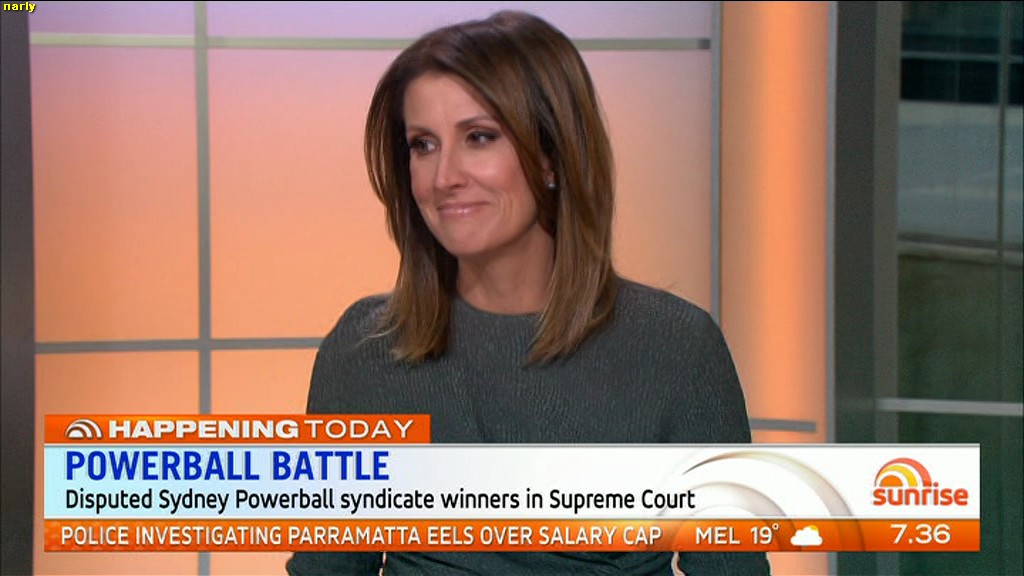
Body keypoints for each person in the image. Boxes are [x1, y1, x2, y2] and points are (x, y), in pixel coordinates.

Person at [287, 10, 770, 575]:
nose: (444, 177)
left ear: (551, 158)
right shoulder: (364, 351)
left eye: (479, 137)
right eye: (423, 144)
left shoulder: (676, 348)